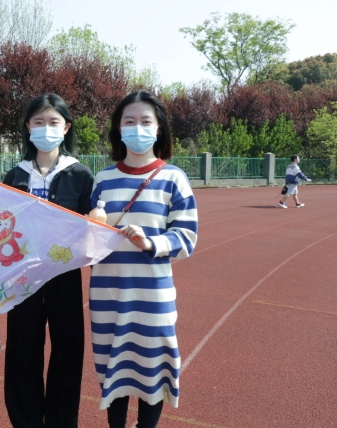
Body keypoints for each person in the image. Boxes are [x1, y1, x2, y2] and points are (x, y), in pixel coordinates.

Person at [90, 90, 198, 428]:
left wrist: (149, 242)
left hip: (152, 296)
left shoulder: (173, 178)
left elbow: (187, 237)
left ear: (159, 128)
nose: (138, 127)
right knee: (112, 367)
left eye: (145, 121)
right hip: (107, 295)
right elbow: (89, 238)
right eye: (129, 121)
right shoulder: (103, 179)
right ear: (118, 129)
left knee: (152, 369)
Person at [3, 93, 94, 428]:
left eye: (53, 122)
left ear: (66, 127)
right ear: (28, 127)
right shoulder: (15, 175)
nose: (45, 128)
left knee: (67, 350)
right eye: (38, 121)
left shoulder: (80, 175)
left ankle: (61, 421)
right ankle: (26, 420)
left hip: (63, 276)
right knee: (22, 350)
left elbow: (92, 228)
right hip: (22, 276)